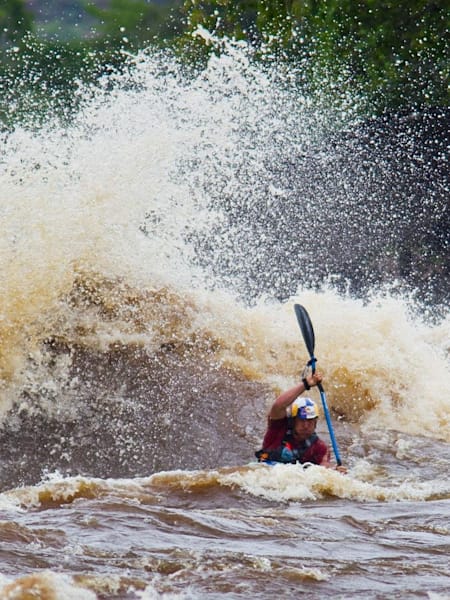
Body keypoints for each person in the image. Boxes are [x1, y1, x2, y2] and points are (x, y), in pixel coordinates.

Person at [256, 371, 345, 471]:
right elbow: (278, 405)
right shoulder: (278, 429)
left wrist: (334, 472)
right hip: (265, 472)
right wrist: (306, 384)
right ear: (293, 421)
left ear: (315, 423)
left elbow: (323, 470)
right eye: (302, 420)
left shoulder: (320, 448)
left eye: (310, 421)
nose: (306, 425)